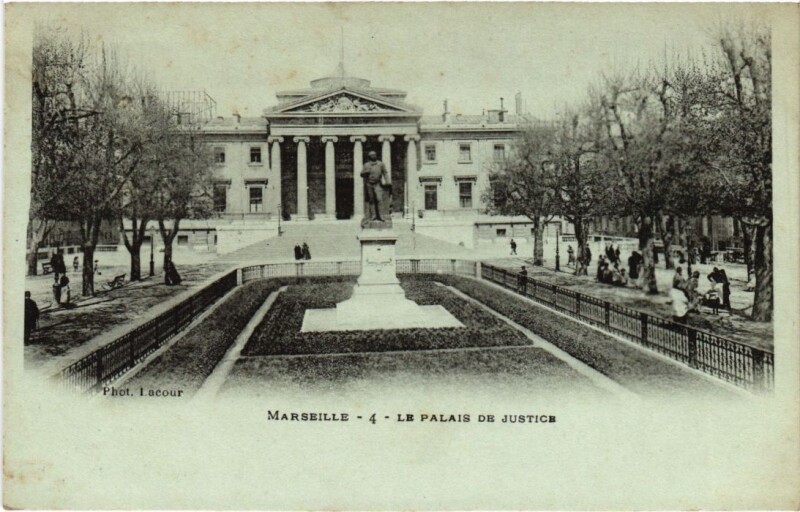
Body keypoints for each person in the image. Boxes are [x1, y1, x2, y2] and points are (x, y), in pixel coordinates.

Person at [360, 150, 389, 221]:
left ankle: (381, 215)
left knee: (379, 199)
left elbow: (385, 173)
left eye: (374, 155)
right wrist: (365, 172)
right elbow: (361, 174)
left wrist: (387, 181)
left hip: (377, 183)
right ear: (369, 157)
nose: (373, 156)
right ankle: (373, 215)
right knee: (371, 200)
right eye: (371, 155)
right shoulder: (366, 165)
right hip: (369, 184)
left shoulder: (380, 164)